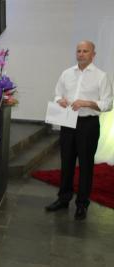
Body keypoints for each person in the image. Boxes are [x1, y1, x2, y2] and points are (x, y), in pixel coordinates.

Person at [45, 40, 113, 220]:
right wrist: (60, 99)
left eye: (85, 51)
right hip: (68, 122)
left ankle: (82, 204)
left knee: (85, 165)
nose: (81, 54)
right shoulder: (66, 73)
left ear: (93, 54)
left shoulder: (101, 76)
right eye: (78, 51)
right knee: (66, 162)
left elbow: (107, 104)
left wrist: (87, 102)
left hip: (88, 125)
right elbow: (58, 93)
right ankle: (63, 199)